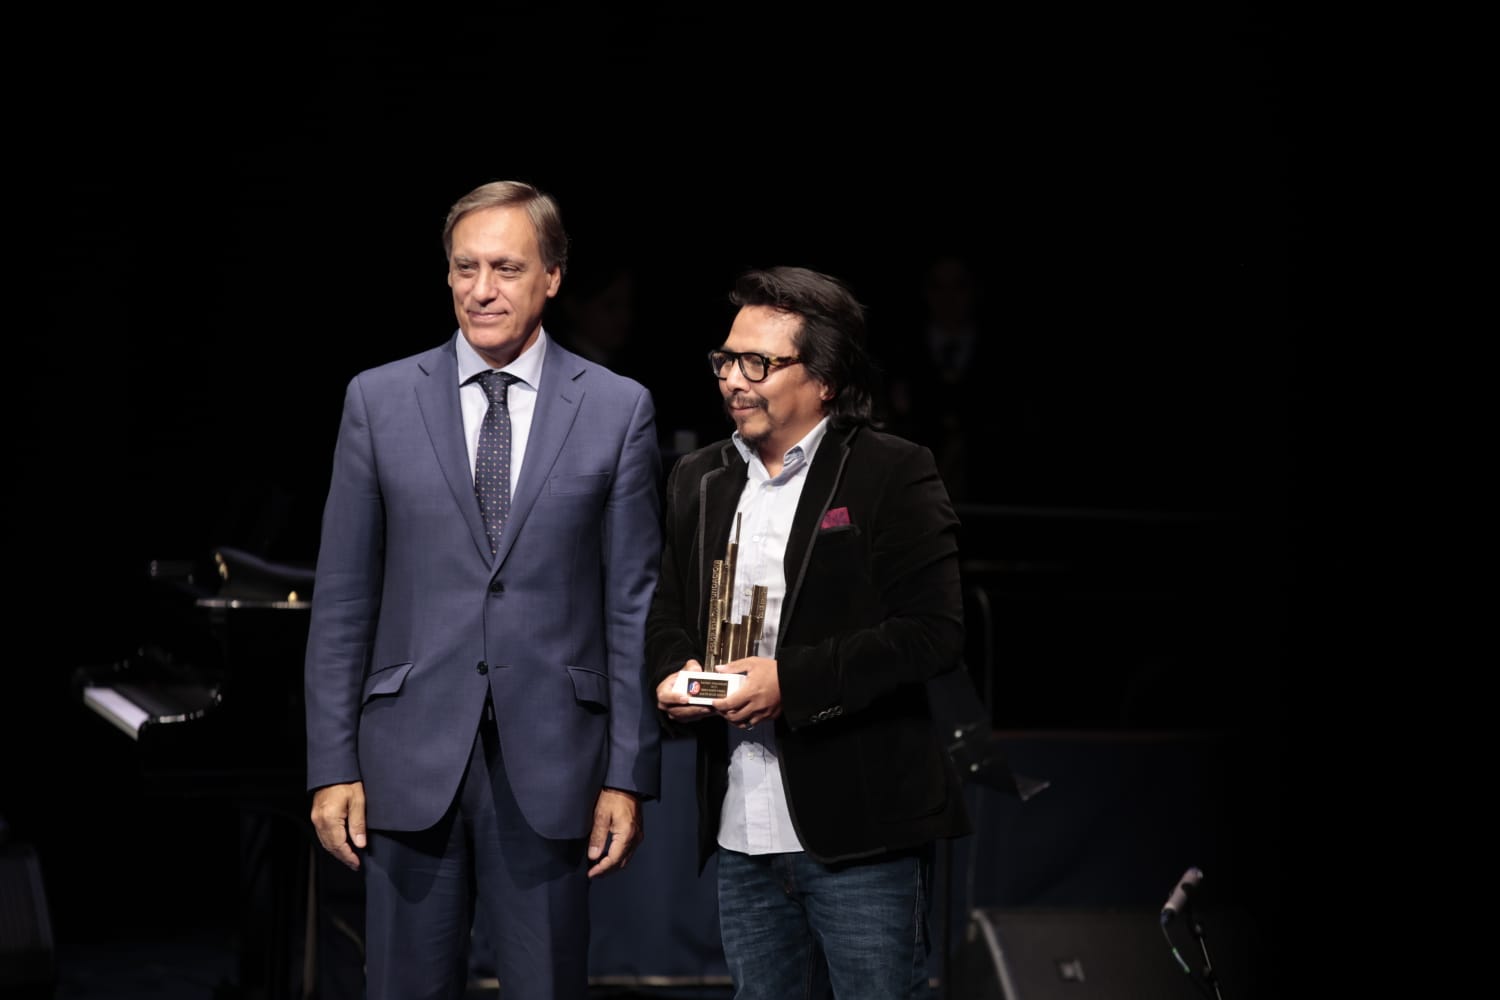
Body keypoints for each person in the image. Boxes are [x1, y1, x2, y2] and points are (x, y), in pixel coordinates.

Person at [303, 180, 663, 1000]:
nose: (481, 289)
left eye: (505, 267)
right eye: (465, 267)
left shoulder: (617, 410)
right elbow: (344, 600)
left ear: (553, 277)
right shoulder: (378, 400)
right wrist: (330, 764)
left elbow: (631, 604)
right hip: (405, 758)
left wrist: (627, 773)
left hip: (554, 761)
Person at [647, 266, 972, 999]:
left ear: (823, 378)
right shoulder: (697, 477)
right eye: (726, 360)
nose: (734, 379)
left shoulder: (892, 470)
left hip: (863, 834)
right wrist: (672, 674)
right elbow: (666, 610)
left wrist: (789, 680)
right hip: (741, 830)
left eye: (758, 362)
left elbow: (934, 633)